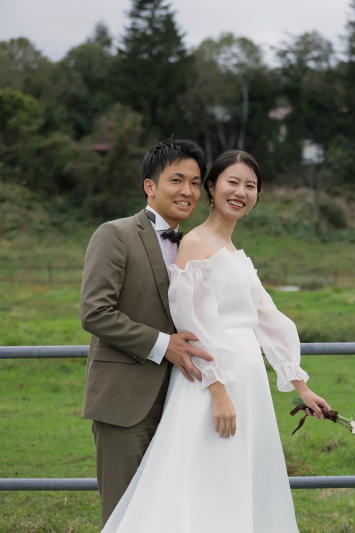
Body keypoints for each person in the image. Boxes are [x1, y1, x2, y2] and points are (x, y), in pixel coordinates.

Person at [100, 150, 329, 533]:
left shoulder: (236, 253)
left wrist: (301, 386)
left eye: (250, 186)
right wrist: (219, 389)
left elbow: (268, 319)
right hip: (213, 383)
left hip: (248, 381)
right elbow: (195, 325)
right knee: (207, 479)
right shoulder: (195, 244)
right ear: (212, 188)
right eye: (232, 182)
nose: (240, 192)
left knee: (240, 478)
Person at [80, 139, 217, 525]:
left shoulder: (197, 245)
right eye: (176, 180)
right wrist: (163, 345)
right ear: (150, 186)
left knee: (170, 514)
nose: (187, 191)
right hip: (125, 402)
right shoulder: (115, 234)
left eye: (195, 182)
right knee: (124, 516)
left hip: (182, 402)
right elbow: (94, 312)